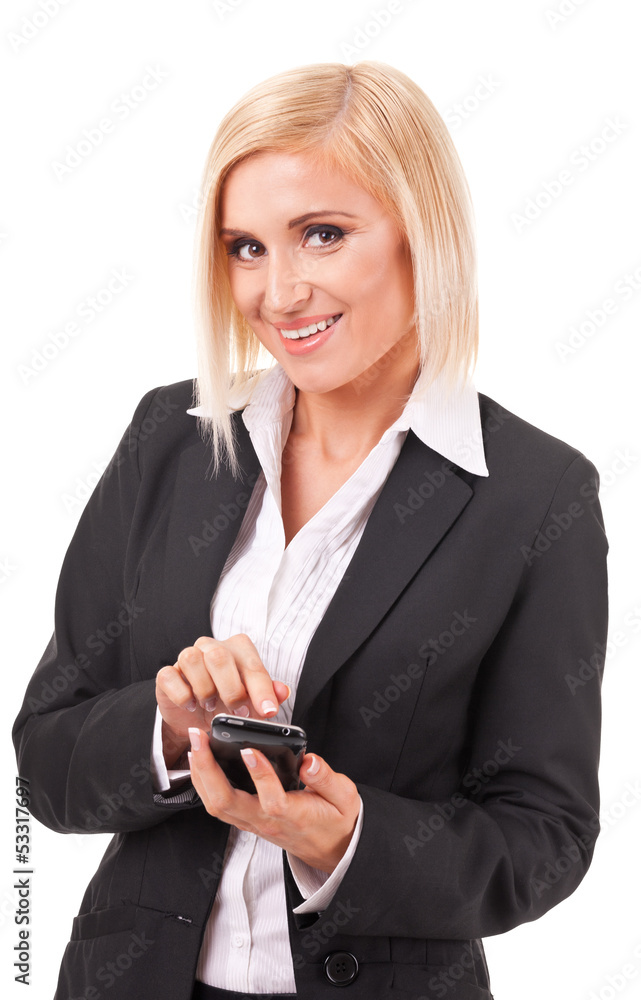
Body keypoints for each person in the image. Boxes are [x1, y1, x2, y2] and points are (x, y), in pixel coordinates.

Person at [12, 60, 608, 1000]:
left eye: (321, 235)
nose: (278, 292)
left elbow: (545, 836)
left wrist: (350, 841)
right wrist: (168, 730)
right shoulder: (170, 438)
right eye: (245, 248)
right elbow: (43, 763)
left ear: (423, 233)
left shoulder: (537, 496)